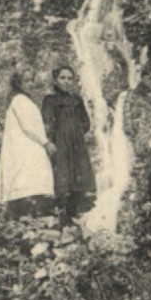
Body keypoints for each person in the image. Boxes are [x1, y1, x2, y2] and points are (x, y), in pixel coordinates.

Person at [0, 69, 56, 219]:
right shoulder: (20, 100)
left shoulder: (24, 101)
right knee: (28, 183)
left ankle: (32, 219)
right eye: (27, 81)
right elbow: (28, 126)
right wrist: (45, 142)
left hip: (30, 146)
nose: (31, 84)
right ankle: (29, 219)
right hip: (26, 147)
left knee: (30, 184)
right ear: (18, 83)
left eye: (32, 80)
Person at [42, 66, 96, 226]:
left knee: (78, 174)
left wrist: (76, 132)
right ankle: (61, 214)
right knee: (62, 174)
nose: (66, 81)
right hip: (60, 143)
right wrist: (53, 140)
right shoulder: (50, 100)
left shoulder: (76, 100)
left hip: (77, 144)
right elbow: (46, 123)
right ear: (55, 80)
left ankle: (76, 213)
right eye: (62, 78)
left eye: (69, 78)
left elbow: (86, 123)